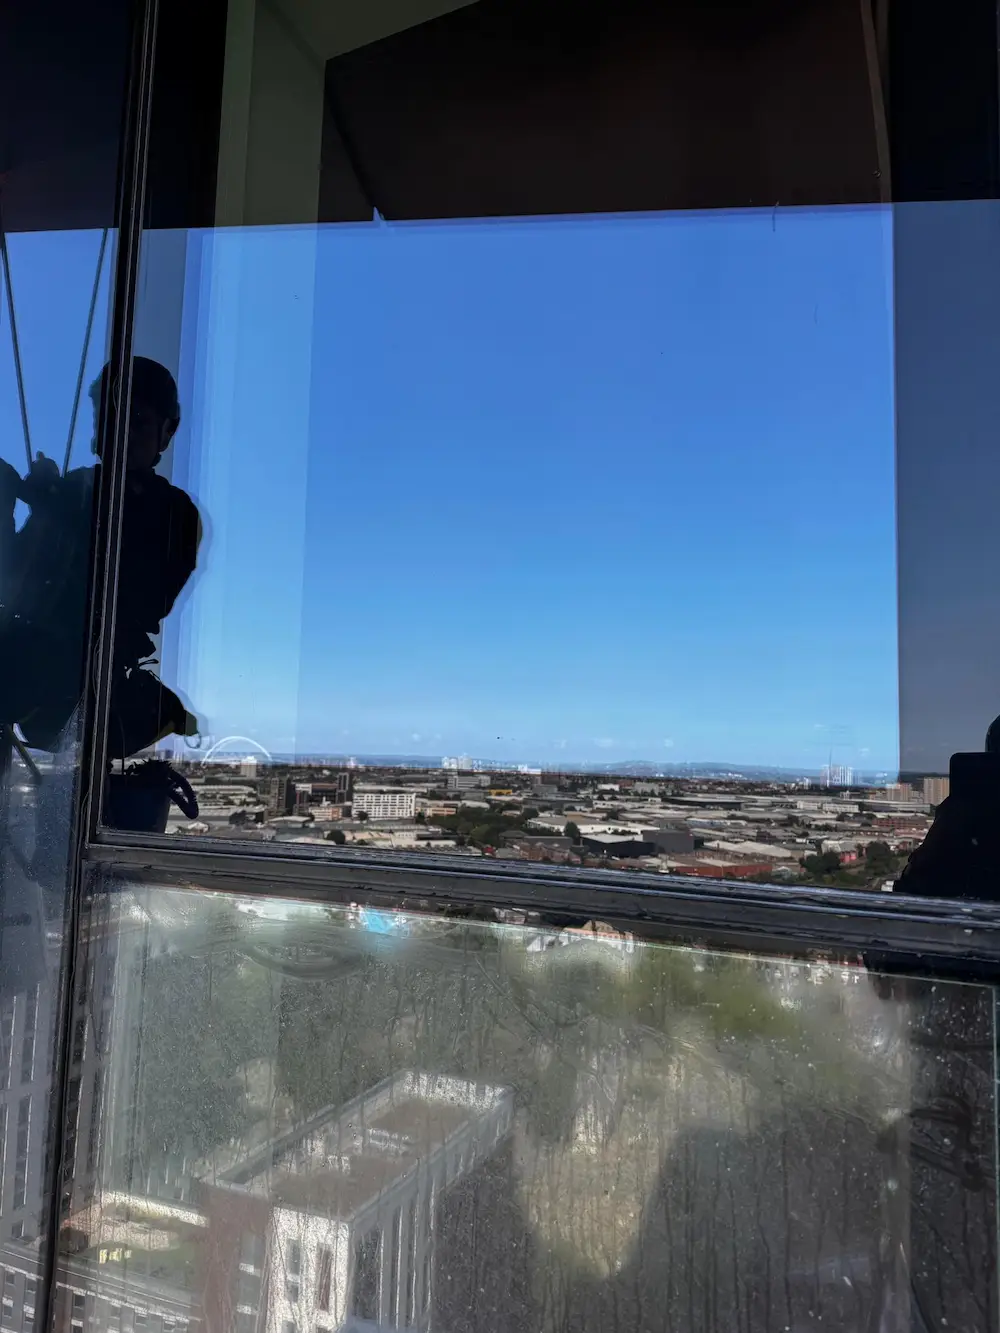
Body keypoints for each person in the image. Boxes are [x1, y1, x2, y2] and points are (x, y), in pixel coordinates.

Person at [0, 356, 200, 759]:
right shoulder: (80, 491)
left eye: (136, 420)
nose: (117, 433)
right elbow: (16, 576)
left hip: (76, 686)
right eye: (107, 419)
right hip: (49, 681)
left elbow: (137, 599)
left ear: (166, 432)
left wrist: (49, 505)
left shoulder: (171, 513)